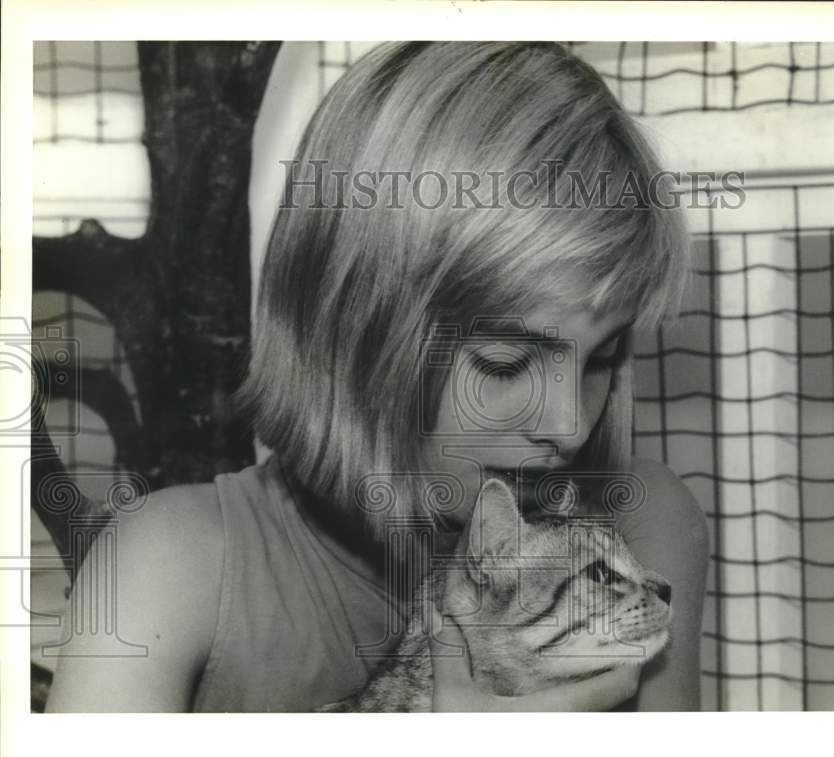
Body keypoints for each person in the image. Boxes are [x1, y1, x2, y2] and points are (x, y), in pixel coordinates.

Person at [45, 41, 708, 713]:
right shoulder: (166, 569)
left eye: (602, 358)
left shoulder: (640, 523)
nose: (568, 423)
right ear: (359, 333)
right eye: (505, 361)